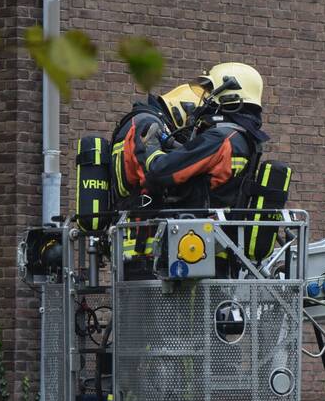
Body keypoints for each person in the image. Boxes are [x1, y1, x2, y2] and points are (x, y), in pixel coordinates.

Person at [134, 62, 267, 209]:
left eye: (211, 92)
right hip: (219, 226)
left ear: (228, 96)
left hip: (195, 226)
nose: (206, 99)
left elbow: (160, 171)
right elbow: (198, 163)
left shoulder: (220, 138)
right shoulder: (242, 137)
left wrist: (151, 145)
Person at [110, 85, 201, 264]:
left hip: (135, 238)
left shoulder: (136, 121)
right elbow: (155, 170)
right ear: (180, 109)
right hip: (145, 243)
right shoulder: (148, 123)